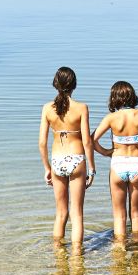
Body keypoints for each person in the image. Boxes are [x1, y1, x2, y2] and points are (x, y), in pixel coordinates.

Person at [92, 81, 138, 240]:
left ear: (114, 98)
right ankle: (137, 253)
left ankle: (119, 251)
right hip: (137, 164)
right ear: (132, 96)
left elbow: (92, 140)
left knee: (119, 216)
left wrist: (106, 152)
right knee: (136, 214)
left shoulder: (111, 118)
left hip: (117, 164)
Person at [38, 66, 95, 247]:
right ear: (74, 85)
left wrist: (47, 168)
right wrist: (92, 169)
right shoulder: (81, 108)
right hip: (77, 160)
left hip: (56, 161)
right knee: (77, 214)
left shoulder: (47, 109)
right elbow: (86, 141)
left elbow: (41, 142)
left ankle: (58, 254)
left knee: (61, 213)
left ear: (55, 84)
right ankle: (77, 257)